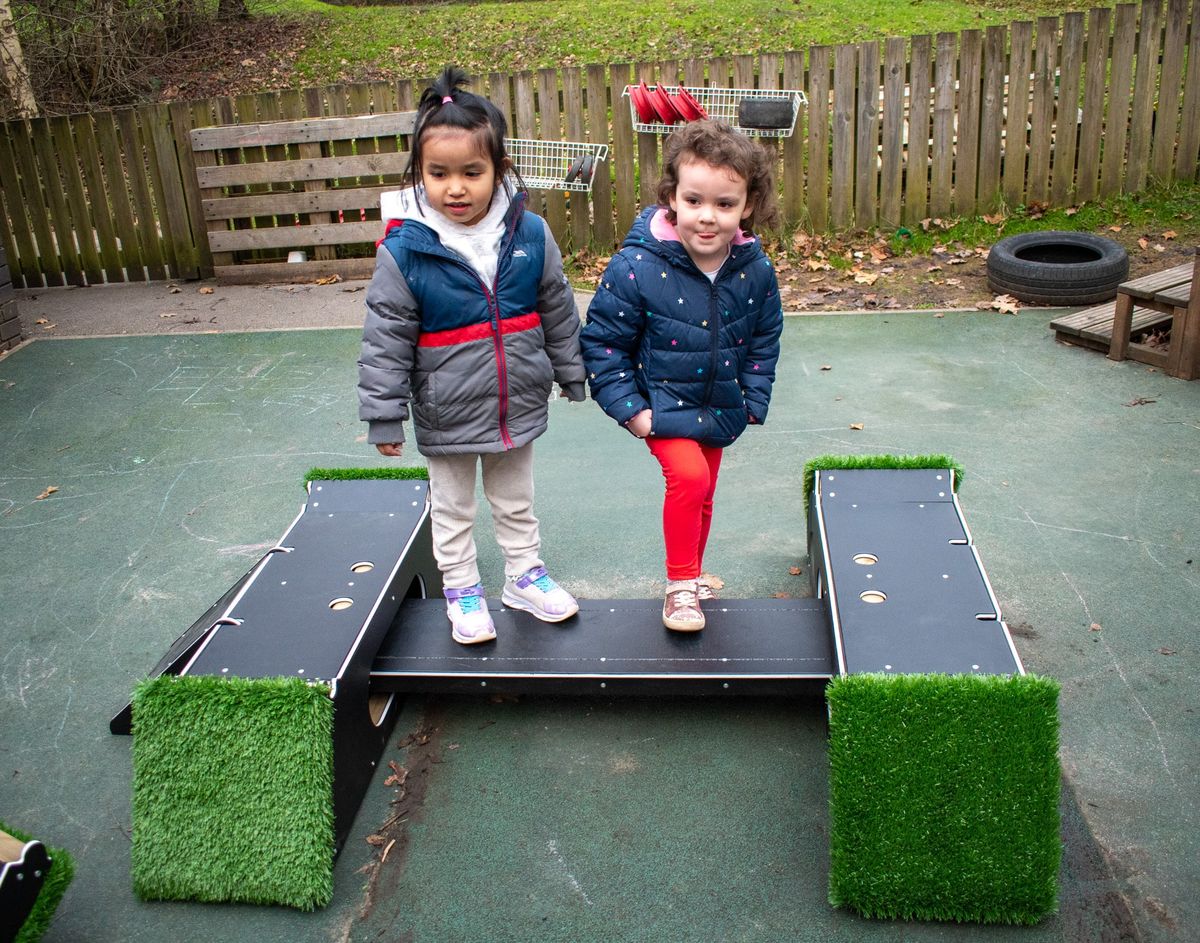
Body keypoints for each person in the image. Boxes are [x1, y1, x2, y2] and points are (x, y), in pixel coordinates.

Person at [358, 66, 586, 645]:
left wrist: (572, 368)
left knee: (515, 500)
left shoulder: (530, 233)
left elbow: (555, 303)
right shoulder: (407, 248)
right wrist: (385, 414)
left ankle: (523, 575)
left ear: (499, 170)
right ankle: (461, 587)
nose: (454, 188)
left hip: (515, 399)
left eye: (471, 173)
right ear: (419, 174)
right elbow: (385, 336)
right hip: (446, 406)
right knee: (453, 508)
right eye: (438, 174)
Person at [580, 120, 783, 633]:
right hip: (663, 406)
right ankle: (679, 588)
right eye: (693, 201)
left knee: (704, 491)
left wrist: (753, 398)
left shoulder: (753, 269)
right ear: (672, 196)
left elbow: (764, 337)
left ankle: (690, 578)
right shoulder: (637, 266)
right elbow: (604, 344)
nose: (707, 217)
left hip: (719, 404)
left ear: (748, 206)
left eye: (724, 204)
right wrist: (634, 412)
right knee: (689, 478)